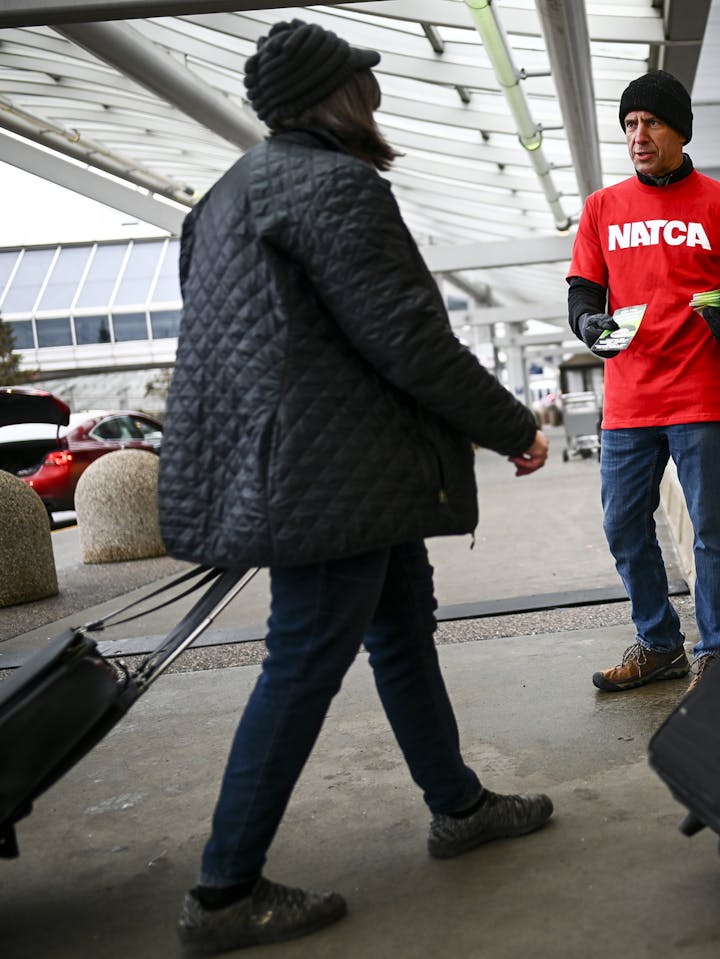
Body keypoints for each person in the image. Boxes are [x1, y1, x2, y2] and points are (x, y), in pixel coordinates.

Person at [158, 20, 553, 955]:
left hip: (330, 471)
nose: (375, 100)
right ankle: (224, 893)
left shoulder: (220, 198)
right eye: (363, 85)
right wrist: (511, 427)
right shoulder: (336, 187)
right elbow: (407, 337)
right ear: (340, 99)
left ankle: (456, 805)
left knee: (402, 635)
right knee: (301, 664)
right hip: (330, 479)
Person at [566, 70, 720, 695]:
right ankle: (659, 644)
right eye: (630, 125)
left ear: (680, 132)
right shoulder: (602, 208)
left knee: (712, 524)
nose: (639, 135)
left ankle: (717, 651)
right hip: (629, 397)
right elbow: (583, 289)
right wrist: (589, 322)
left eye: (651, 123)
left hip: (701, 394)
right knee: (622, 524)